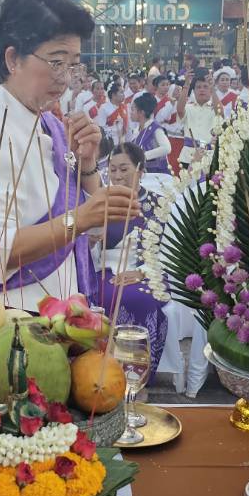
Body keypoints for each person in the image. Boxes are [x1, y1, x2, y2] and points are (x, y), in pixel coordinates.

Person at [0, 0, 140, 311]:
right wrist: (79, 219)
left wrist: (88, 166)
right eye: (56, 62)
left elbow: (97, 226)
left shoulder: (51, 125)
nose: (65, 78)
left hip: (64, 309)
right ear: (13, 59)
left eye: (73, 65)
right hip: (9, 317)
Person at [97, 143, 169, 371]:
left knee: (140, 299)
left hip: (149, 269)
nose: (117, 176)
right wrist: (89, 242)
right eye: (112, 169)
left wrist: (141, 272)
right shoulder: (100, 202)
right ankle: (101, 368)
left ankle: (136, 373)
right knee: (99, 296)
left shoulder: (160, 204)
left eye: (124, 169)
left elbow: (169, 250)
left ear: (140, 170)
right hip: (104, 268)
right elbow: (88, 249)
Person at [175, 72, 218, 167]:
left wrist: (213, 88)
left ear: (210, 90)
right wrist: (186, 85)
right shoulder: (188, 107)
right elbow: (180, 110)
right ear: (194, 91)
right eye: (198, 87)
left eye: (205, 87)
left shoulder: (214, 107)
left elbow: (220, 112)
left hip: (209, 156)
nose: (202, 90)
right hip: (188, 156)